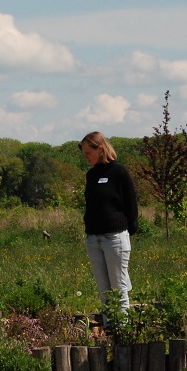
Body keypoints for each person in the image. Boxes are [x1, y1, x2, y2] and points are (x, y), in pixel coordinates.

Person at [80, 131, 139, 312]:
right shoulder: (91, 175)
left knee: (118, 289)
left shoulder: (118, 172)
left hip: (114, 238)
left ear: (100, 149)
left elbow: (131, 203)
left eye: (88, 153)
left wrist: (130, 229)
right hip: (93, 239)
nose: (86, 157)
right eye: (84, 154)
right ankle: (109, 331)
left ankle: (122, 333)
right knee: (104, 292)